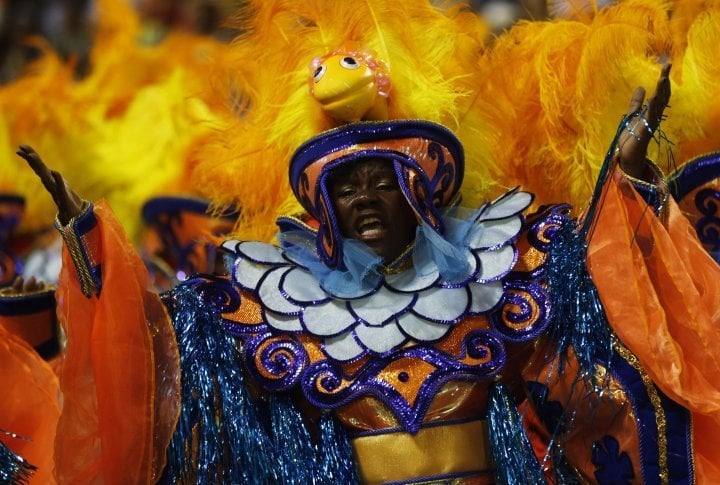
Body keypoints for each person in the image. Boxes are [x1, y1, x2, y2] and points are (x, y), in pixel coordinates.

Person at [11, 39, 720, 483]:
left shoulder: (498, 268)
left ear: (420, 185)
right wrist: (88, 236)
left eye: (382, 178)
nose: (366, 198)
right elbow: (155, 360)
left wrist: (629, 175)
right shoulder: (272, 303)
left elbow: (608, 306)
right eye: (345, 187)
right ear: (323, 207)